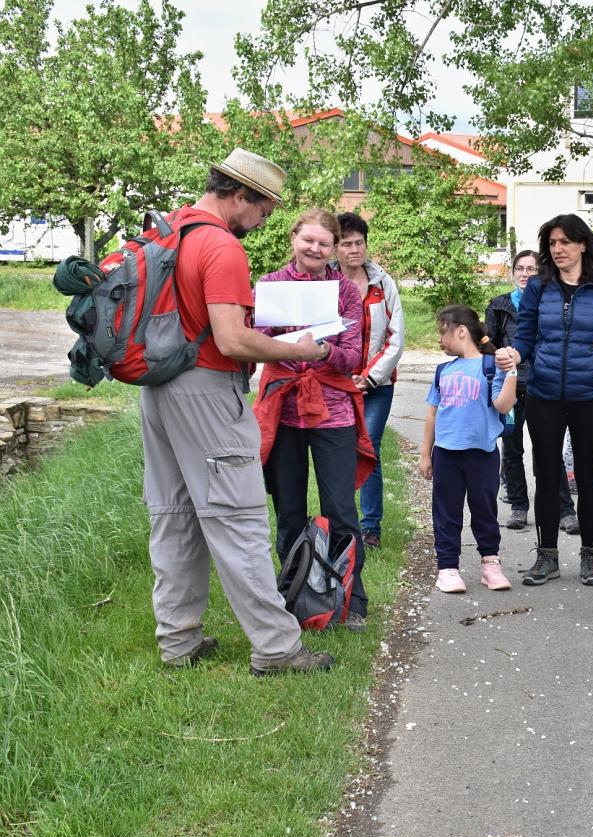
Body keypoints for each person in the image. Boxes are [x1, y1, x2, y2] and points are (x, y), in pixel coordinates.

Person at [141, 148, 333, 675]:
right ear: (241, 195)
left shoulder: (172, 229)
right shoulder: (221, 245)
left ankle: (178, 641)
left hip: (158, 388)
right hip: (206, 390)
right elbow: (230, 340)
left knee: (174, 515)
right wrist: (298, 349)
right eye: (263, 210)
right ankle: (277, 649)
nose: (262, 221)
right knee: (239, 518)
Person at [255, 208, 377, 631]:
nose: (315, 248)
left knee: (340, 511)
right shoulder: (270, 285)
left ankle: (351, 601)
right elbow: (255, 341)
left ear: (334, 248)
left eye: (324, 243)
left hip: (333, 413)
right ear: (293, 238)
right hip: (284, 412)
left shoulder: (345, 292)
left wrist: (322, 351)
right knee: (288, 511)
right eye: (308, 240)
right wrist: (287, 347)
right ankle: (291, 600)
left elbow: (353, 356)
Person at [496, 214, 593, 586]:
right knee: (547, 476)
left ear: (583, 244)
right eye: (552, 243)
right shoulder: (538, 287)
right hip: (544, 395)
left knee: (588, 478)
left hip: (591, 396)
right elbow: (526, 336)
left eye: (565, 242)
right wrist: (515, 355)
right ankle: (546, 557)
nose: (558, 249)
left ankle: (590, 556)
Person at [419, 306, 518, 593]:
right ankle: (447, 567)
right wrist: (425, 454)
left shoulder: (490, 367)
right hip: (446, 453)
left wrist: (511, 372)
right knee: (446, 511)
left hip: (482, 453)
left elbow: (503, 406)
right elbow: (432, 415)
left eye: (442, 332)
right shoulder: (443, 370)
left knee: (484, 509)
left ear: (461, 331)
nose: (440, 340)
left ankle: (490, 564)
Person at [485, 249, 576, 532]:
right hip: (510, 389)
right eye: (520, 269)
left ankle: (564, 510)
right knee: (512, 449)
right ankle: (518, 506)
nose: (524, 274)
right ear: (513, 272)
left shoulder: (551, 303)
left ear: (541, 274)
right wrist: (500, 357)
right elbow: (488, 344)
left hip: (544, 387)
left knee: (548, 450)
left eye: (531, 269)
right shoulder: (499, 306)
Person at [336, 213, 404, 552]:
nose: (354, 249)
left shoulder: (383, 283)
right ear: (335, 247)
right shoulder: (326, 282)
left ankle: (370, 529)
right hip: (336, 383)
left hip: (377, 387)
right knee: (337, 453)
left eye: (359, 243)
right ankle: (340, 525)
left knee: (368, 448)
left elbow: (396, 337)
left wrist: (370, 377)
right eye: (346, 243)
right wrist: (342, 374)